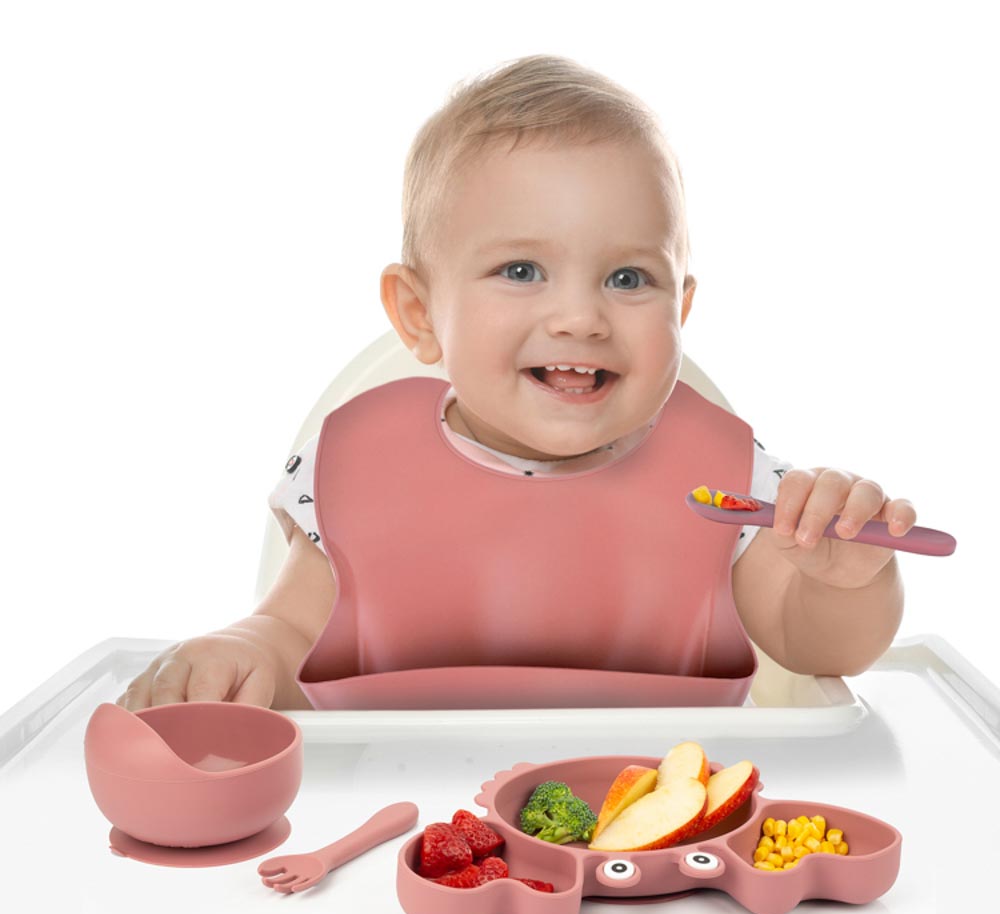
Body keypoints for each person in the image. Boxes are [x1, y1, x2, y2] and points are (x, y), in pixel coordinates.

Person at [118, 55, 916, 712]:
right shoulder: (359, 469)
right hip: (407, 827)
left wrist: (847, 583)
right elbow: (289, 639)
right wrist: (238, 651)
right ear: (419, 313)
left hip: (666, 827)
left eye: (629, 278)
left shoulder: (729, 487)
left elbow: (815, 652)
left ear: (681, 309)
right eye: (522, 270)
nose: (580, 318)